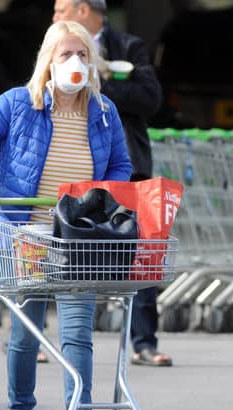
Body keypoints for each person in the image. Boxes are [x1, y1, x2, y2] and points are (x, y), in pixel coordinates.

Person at [0, 21, 132, 410]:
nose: (75, 63)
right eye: (66, 54)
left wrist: (103, 197)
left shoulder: (104, 112)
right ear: (48, 61)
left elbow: (122, 166)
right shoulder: (19, 104)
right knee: (26, 335)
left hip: (79, 238)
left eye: (84, 55)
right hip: (25, 236)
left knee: (77, 333)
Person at [52, 0, 172, 367]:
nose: (56, 18)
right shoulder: (55, 45)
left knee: (142, 253)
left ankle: (144, 341)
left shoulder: (129, 48)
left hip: (129, 166)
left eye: (61, 10)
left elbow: (151, 99)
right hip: (75, 169)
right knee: (51, 249)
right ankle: (43, 336)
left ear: (83, 10)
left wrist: (97, 82)